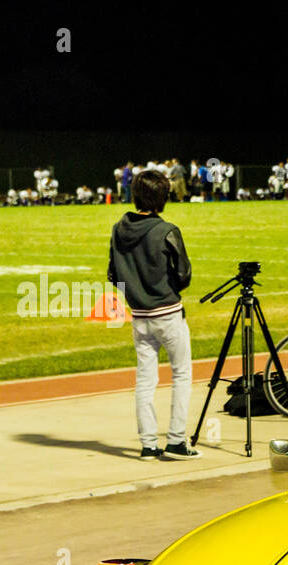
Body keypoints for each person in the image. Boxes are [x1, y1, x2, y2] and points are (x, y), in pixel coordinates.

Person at [107, 170, 198, 461]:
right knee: (181, 374)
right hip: (168, 313)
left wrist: (135, 293)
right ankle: (175, 440)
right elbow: (184, 275)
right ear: (163, 197)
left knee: (145, 379)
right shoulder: (167, 230)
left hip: (140, 315)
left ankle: (148, 445)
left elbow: (113, 274)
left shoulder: (117, 229)